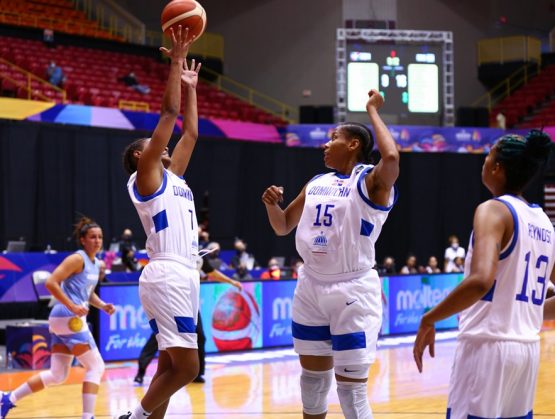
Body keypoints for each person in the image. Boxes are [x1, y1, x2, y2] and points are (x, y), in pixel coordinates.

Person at [262, 89, 399, 419]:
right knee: (311, 387)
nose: (325, 144)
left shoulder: (369, 181)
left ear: (353, 144)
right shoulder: (317, 181)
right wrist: (271, 205)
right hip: (310, 285)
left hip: (352, 289)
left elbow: (391, 157)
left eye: (333, 138)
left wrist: (371, 111)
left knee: (351, 394)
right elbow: (282, 227)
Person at [413, 130, 554, 419]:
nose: (484, 162)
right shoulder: (545, 223)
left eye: (487, 156)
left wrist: (429, 318)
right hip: (526, 350)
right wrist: (526, 309)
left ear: (497, 167)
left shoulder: (493, 210)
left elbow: (481, 281)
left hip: (486, 348)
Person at [118, 26, 202, 419]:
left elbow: (190, 132)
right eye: (150, 147)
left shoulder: (176, 178)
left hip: (185, 274)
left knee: (170, 366)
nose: (162, 147)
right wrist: (175, 62)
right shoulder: (147, 175)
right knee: (188, 368)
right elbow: (168, 116)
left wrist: (191, 86)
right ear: (140, 157)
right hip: (167, 272)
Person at [0, 217, 116, 419]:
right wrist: (71, 305)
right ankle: (88, 416)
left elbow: (87, 294)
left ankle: (8, 399)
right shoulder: (77, 259)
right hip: (68, 317)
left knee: (58, 374)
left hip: (61, 322)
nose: (97, 241)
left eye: (100, 237)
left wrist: (102, 305)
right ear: (82, 240)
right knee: (96, 366)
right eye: (92, 237)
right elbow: (51, 283)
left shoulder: (96, 263)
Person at [134, 258, 242, 386]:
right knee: (159, 337)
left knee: (200, 337)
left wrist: (231, 281)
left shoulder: (199, 257)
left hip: (190, 305)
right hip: (172, 300)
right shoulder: (173, 254)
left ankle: (198, 374)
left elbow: (212, 272)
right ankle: (141, 371)